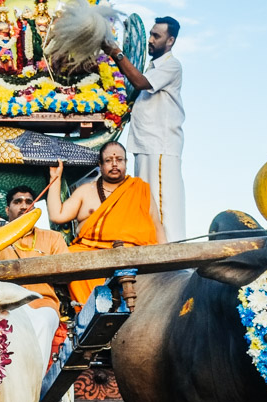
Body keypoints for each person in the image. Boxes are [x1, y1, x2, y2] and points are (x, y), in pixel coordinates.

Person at [47, 141, 165, 307]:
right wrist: (55, 178)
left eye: (120, 160)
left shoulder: (140, 189)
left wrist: (166, 257)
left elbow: (157, 226)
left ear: (126, 163)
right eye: (109, 160)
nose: (115, 164)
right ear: (100, 165)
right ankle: (90, 314)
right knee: (70, 257)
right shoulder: (86, 191)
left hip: (134, 253)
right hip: (92, 254)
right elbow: (57, 215)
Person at [102, 16, 185, 242]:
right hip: (144, 144)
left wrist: (116, 53)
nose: (150, 40)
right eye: (150, 34)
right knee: (147, 204)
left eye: (156, 36)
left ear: (170, 41)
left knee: (163, 206)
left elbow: (141, 83)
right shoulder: (153, 65)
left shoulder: (171, 65)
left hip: (160, 145)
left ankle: (172, 259)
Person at [0, 185, 67, 362]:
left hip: (43, 302)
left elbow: (67, 270)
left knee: (42, 322)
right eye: (17, 202)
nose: (23, 206)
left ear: (34, 209)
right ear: (7, 210)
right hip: (8, 305)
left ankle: (36, 385)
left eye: (29, 202)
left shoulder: (53, 238)